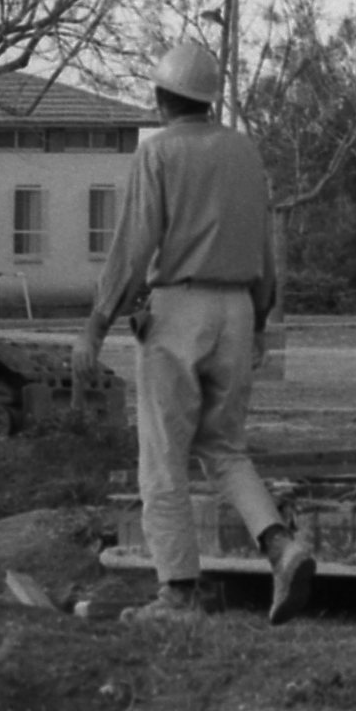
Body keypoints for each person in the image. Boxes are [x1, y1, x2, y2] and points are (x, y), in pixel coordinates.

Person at [76, 40, 312, 625]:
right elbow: (265, 248)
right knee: (225, 448)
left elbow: (135, 249)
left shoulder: (157, 155)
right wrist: (258, 321)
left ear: (160, 100)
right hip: (238, 310)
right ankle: (281, 547)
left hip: (179, 309)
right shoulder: (244, 153)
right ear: (207, 101)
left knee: (162, 458)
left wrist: (98, 323)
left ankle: (178, 594)